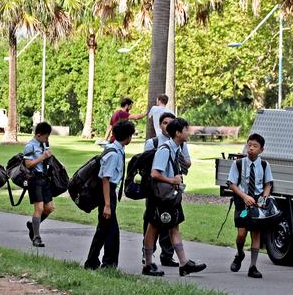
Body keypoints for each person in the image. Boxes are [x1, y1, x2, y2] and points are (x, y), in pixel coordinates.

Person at [142, 118, 206, 277]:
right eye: (186, 129)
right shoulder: (165, 149)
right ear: (178, 133)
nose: (188, 132)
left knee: (174, 227)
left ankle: (184, 264)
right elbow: (155, 173)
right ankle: (148, 264)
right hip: (161, 197)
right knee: (153, 229)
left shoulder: (177, 148)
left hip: (171, 196)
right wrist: (172, 180)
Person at [84, 120, 135, 270]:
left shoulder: (115, 149)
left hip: (108, 193)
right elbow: (105, 179)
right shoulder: (114, 153)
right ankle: (106, 263)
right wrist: (107, 204)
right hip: (107, 193)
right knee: (110, 230)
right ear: (128, 137)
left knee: (105, 229)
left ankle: (94, 262)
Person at [227, 133, 273, 279]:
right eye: (249, 145)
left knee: (256, 233)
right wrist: (244, 196)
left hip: (257, 205)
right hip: (243, 205)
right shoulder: (238, 164)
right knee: (241, 233)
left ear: (261, 150)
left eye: (255, 146)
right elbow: (231, 184)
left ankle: (253, 266)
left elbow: (268, 184)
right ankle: (239, 253)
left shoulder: (265, 165)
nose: (251, 148)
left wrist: (263, 198)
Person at [23, 122, 55, 247]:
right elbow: (28, 164)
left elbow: (48, 158)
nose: (47, 139)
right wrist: (42, 157)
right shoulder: (30, 146)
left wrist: (57, 163)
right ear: (38, 135)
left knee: (49, 208)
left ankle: (33, 225)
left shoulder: (44, 144)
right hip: (34, 180)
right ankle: (36, 237)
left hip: (45, 179)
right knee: (39, 208)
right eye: (46, 136)